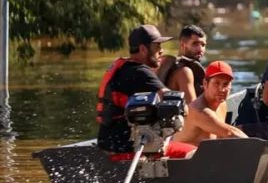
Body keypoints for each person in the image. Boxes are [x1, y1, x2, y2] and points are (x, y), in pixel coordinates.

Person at [96, 24, 196, 158]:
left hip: (108, 146)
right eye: (157, 46)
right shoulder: (141, 72)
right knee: (193, 153)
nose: (161, 51)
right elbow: (174, 100)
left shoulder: (122, 68)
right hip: (129, 151)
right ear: (143, 49)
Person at [172, 61, 248, 146]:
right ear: (205, 84)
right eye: (216, 83)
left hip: (207, 154)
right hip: (183, 157)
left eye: (226, 84)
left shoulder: (222, 104)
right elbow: (230, 133)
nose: (222, 89)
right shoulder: (199, 111)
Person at [158, 25, 207, 103]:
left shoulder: (172, 65)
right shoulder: (184, 71)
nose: (200, 49)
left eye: (203, 45)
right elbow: (192, 108)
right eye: (195, 44)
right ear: (182, 45)